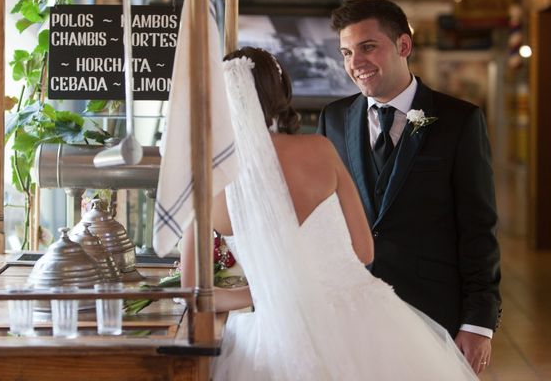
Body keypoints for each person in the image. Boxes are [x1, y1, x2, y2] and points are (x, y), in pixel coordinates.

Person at [182, 46, 478, 380]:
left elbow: (195, 295)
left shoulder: (210, 180)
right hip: (362, 322)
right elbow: (364, 250)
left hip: (276, 333)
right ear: (279, 94)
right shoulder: (319, 150)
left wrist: (267, 289)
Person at [317, 0, 501, 374]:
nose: (355, 63)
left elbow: (478, 229)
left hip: (433, 309)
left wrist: (478, 323)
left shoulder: (459, 121)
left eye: (368, 47)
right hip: (352, 312)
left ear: (403, 45)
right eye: (347, 52)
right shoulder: (333, 119)